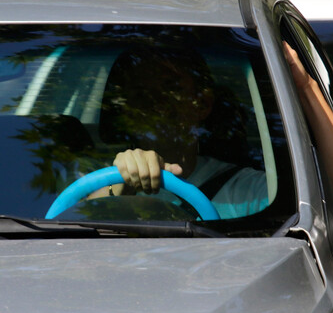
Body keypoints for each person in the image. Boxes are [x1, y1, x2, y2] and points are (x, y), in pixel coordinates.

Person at [90, 46, 268, 219]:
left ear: (202, 104)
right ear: (127, 110)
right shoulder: (93, 174)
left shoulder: (248, 189)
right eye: (140, 93)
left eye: (170, 89)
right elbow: (73, 229)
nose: (154, 103)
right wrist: (118, 185)